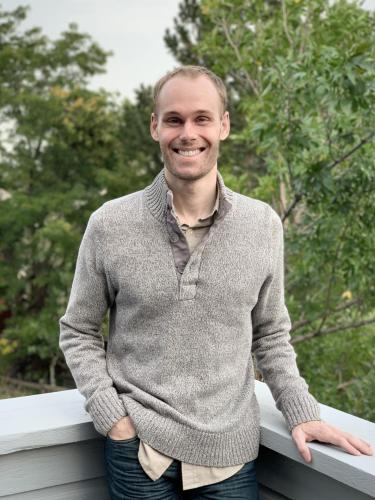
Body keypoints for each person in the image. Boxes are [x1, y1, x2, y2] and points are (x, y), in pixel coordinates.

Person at [59, 65, 373, 499]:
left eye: (202, 118)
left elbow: (271, 334)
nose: (188, 133)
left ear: (223, 125)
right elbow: (77, 330)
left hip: (231, 458)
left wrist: (302, 412)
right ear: (155, 127)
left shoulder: (262, 224)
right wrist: (114, 419)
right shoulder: (110, 224)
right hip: (138, 456)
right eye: (174, 119)